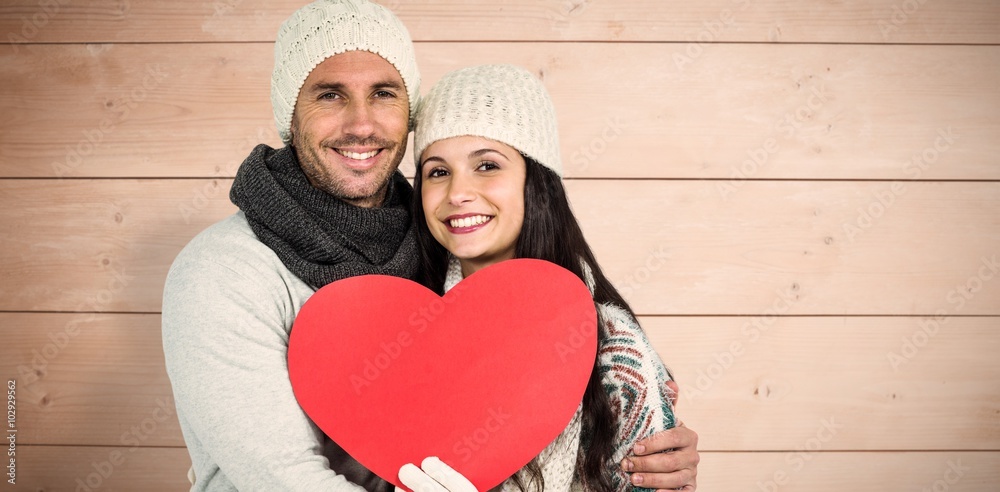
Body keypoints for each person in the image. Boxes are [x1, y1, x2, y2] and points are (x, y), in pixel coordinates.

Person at [161, 0, 698, 490]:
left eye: (384, 93)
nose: (362, 123)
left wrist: (649, 446)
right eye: (329, 94)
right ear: (290, 112)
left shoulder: (437, 256)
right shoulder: (225, 271)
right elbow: (284, 480)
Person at [395, 64, 694, 492]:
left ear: (536, 182)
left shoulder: (611, 343)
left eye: (487, 166)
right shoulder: (405, 328)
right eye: (437, 172)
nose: (457, 192)